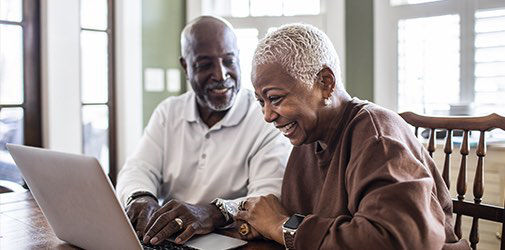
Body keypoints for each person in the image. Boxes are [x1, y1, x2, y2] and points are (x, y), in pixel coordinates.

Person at [235, 23, 470, 249]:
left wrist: (280, 226)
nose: (267, 115)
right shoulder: (307, 137)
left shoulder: (378, 136)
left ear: (325, 84)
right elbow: (299, 221)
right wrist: (268, 226)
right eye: (260, 101)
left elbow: (398, 242)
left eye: (275, 98)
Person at [115, 16, 291, 246]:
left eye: (229, 61)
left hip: (232, 239)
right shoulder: (169, 112)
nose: (220, 75)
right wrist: (141, 196)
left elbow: (268, 198)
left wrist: (214, 212)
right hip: (167, 238)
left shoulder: (265, 117)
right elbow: (137, 169)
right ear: (185, 67)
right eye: (205, 65)